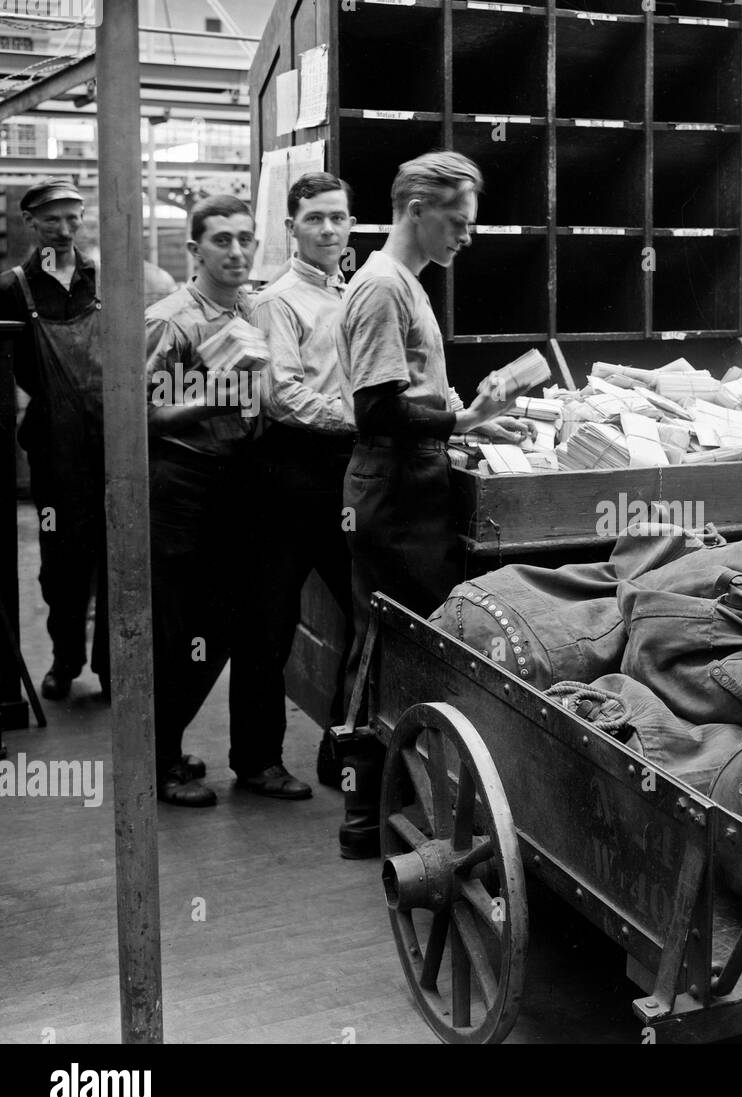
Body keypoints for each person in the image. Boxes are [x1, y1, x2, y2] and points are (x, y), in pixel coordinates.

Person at [334, 150, 526, 858]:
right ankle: (364, 814)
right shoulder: (384, 287)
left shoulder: (403, 284)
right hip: (395, 488)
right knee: (387, 641)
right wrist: (464, 422)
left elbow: (402, 394)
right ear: (416, 209)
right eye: (459, 221)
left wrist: (460, 413)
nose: (467, 236)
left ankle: (383, 802)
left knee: (394, 640)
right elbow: (376, 409)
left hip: (409, 480)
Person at [145, 194, 310, 807]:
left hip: (245, 483)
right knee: (187, 632)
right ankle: (158, 762)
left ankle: (258, 761)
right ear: (195, 250)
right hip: (186, 489)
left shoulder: (253, 307)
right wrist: (212, 398)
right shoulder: (172, 320)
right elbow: (144, 416)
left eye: (246, 238)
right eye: (222, 240)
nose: (238, 251)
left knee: (256, 627)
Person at [233, 173, 357, 795]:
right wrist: (362, 417)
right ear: (291, 228)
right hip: (287, 471)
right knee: (268, 624)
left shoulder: (349, 293)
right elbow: (281, 396)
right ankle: (256, 762)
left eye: (338, 217)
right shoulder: (276, 300)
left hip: (341, 472)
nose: (329, 229)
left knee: (366, 612)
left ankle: (343, 751)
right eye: (315, 219)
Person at [0, 179, 107, 701]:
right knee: (61, 560)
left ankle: (114, 665)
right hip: (51, 448)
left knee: (118, 557)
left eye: (73, 218)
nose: (64, 230)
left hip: (110, 443)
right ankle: (66, 660)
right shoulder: (12, 289)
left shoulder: (103, 280)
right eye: (51, 220)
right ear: (29, 223)